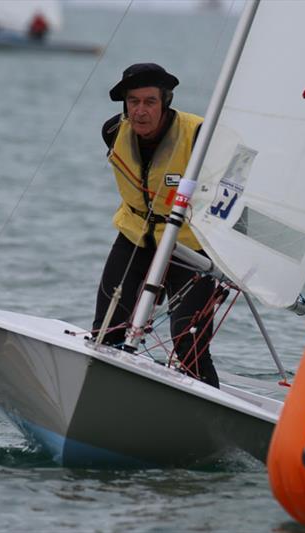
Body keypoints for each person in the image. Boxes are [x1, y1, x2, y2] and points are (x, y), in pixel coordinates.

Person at [93, 63, 220, 388]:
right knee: (105, 331)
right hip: (134, 236)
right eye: (133, 102)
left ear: (165, 103)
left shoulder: (199, 134)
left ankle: (207, 417)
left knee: (187, 341)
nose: (140, 111)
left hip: (190, 245)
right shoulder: (112, 131)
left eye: (149, 101)